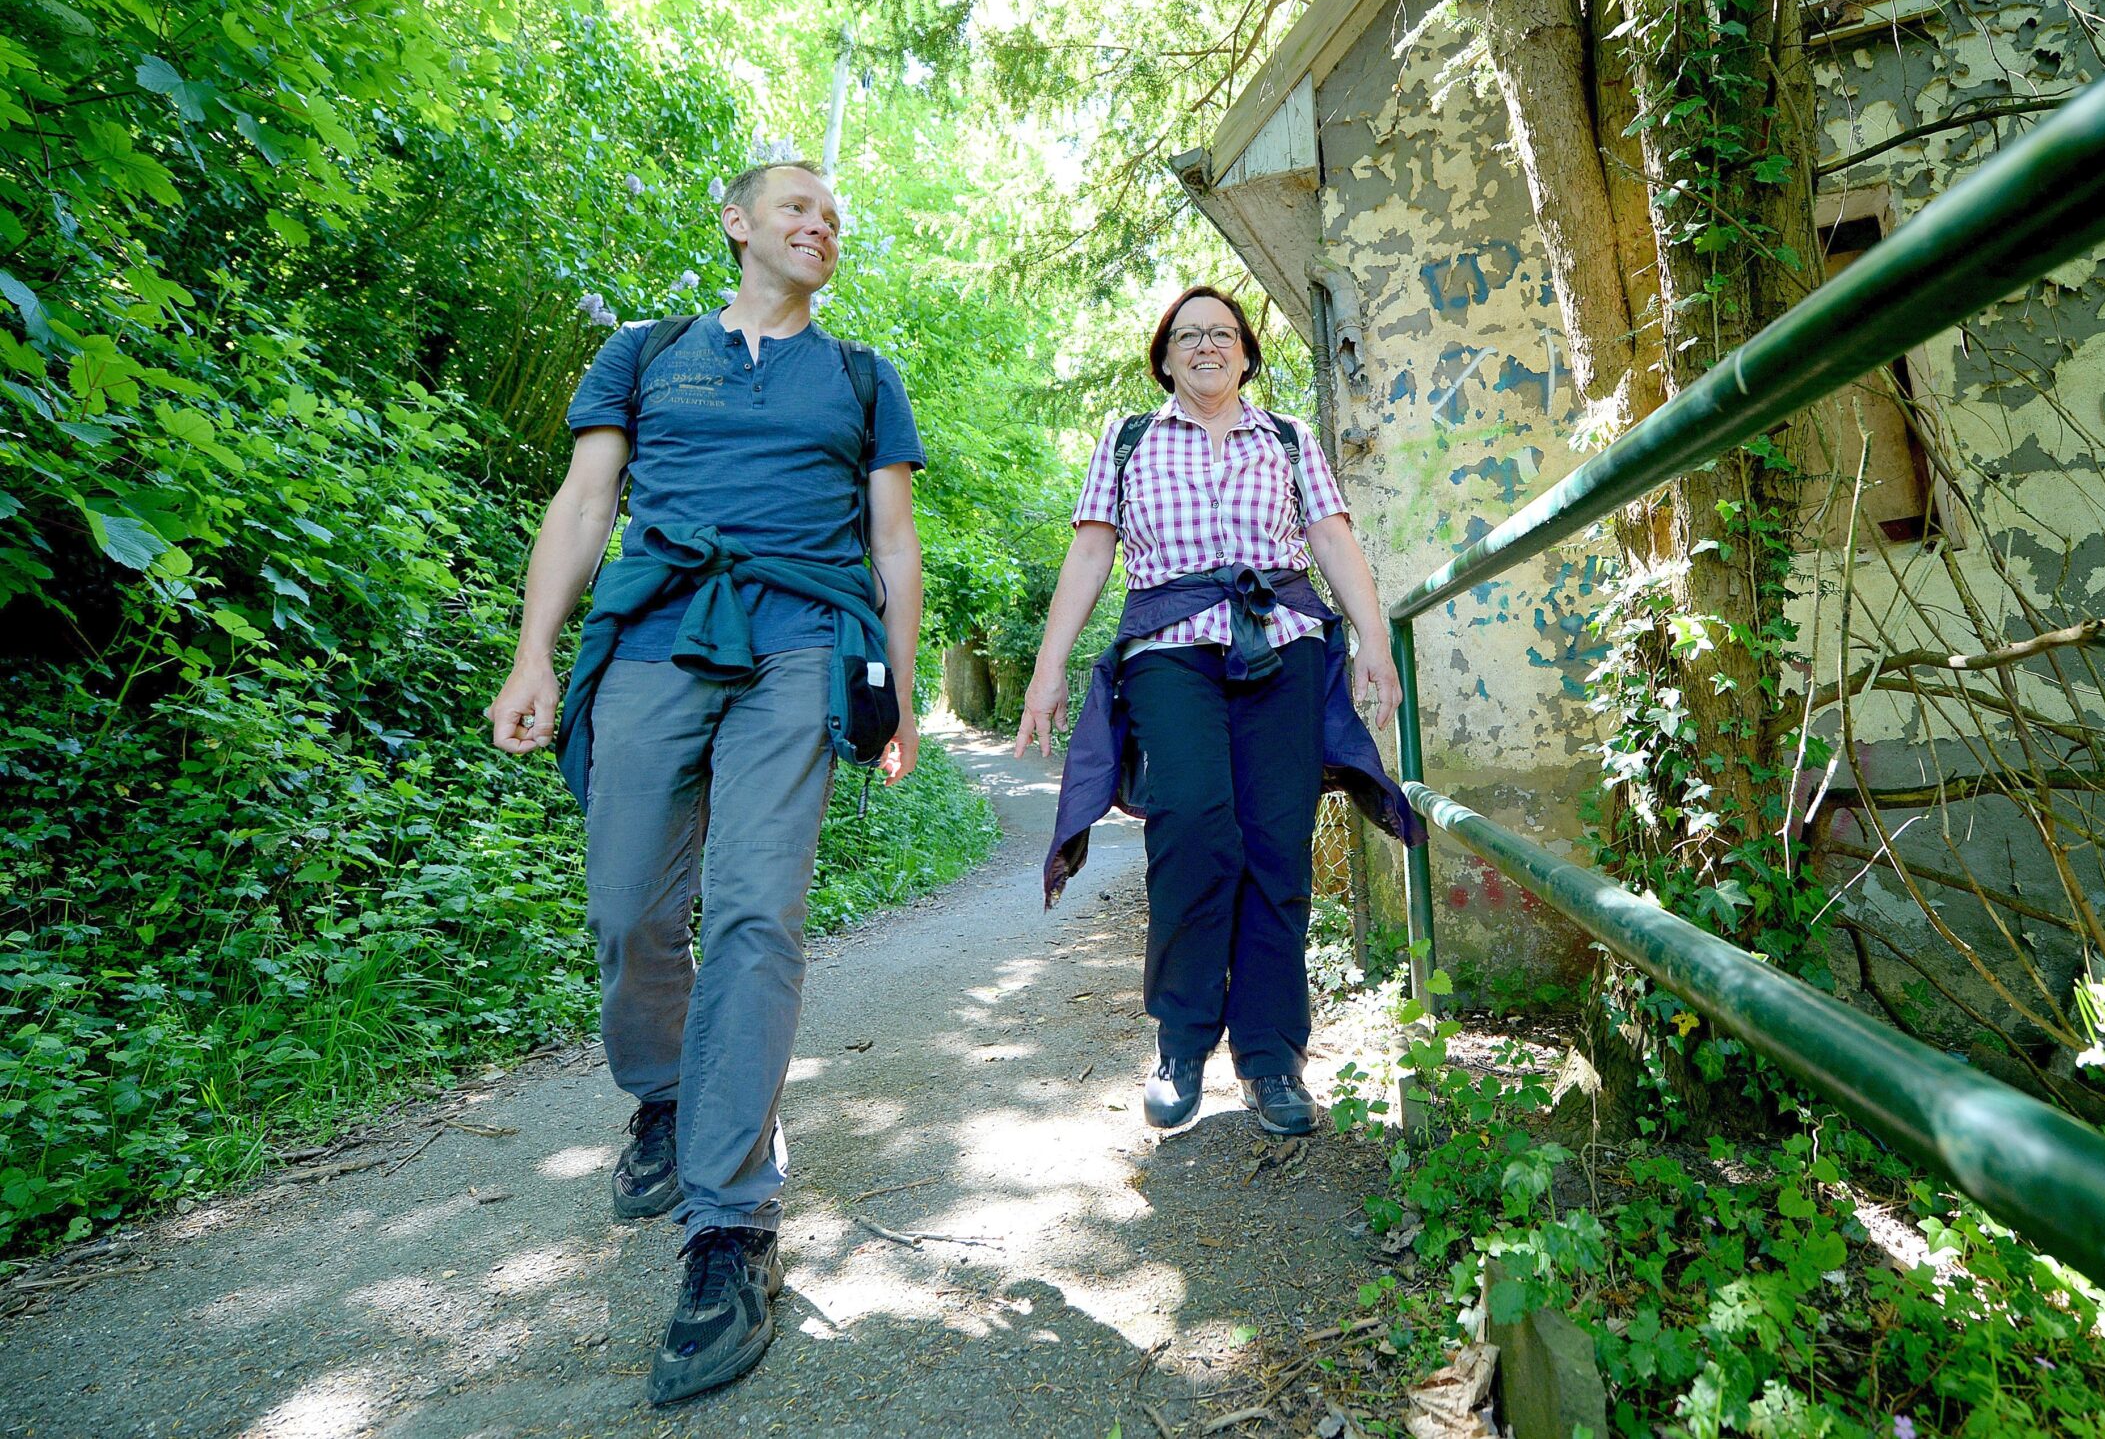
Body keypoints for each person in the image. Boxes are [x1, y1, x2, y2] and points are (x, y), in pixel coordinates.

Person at [484, 160, 926, 1406]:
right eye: (798, 210)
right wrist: (533, 656)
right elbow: (582, 503)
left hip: (801, 642)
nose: (819, 227)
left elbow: (893, 542)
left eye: (835, 218)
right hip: (655, 632)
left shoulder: (861, 378)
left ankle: (730, 1222)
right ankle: (665, 1096)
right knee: (628, 906)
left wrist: (894, 691)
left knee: (752, 911)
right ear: (738, 225)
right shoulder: (644, 351)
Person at [1017, 283, 1419, 1137]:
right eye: (1188, 335)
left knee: (1277, 843)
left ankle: (1272, 1057)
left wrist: (1374, 641)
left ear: (1245, 354)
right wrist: (1049, 667)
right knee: (1196, 825)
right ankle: (1184, 1038)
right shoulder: (1128, 441)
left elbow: (1331, 537)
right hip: (1170, 651)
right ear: (1164, 356)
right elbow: (1092, 551)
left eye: (1224, 333)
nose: (1207, 345)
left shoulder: (1288, 436)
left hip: (1285, 644)